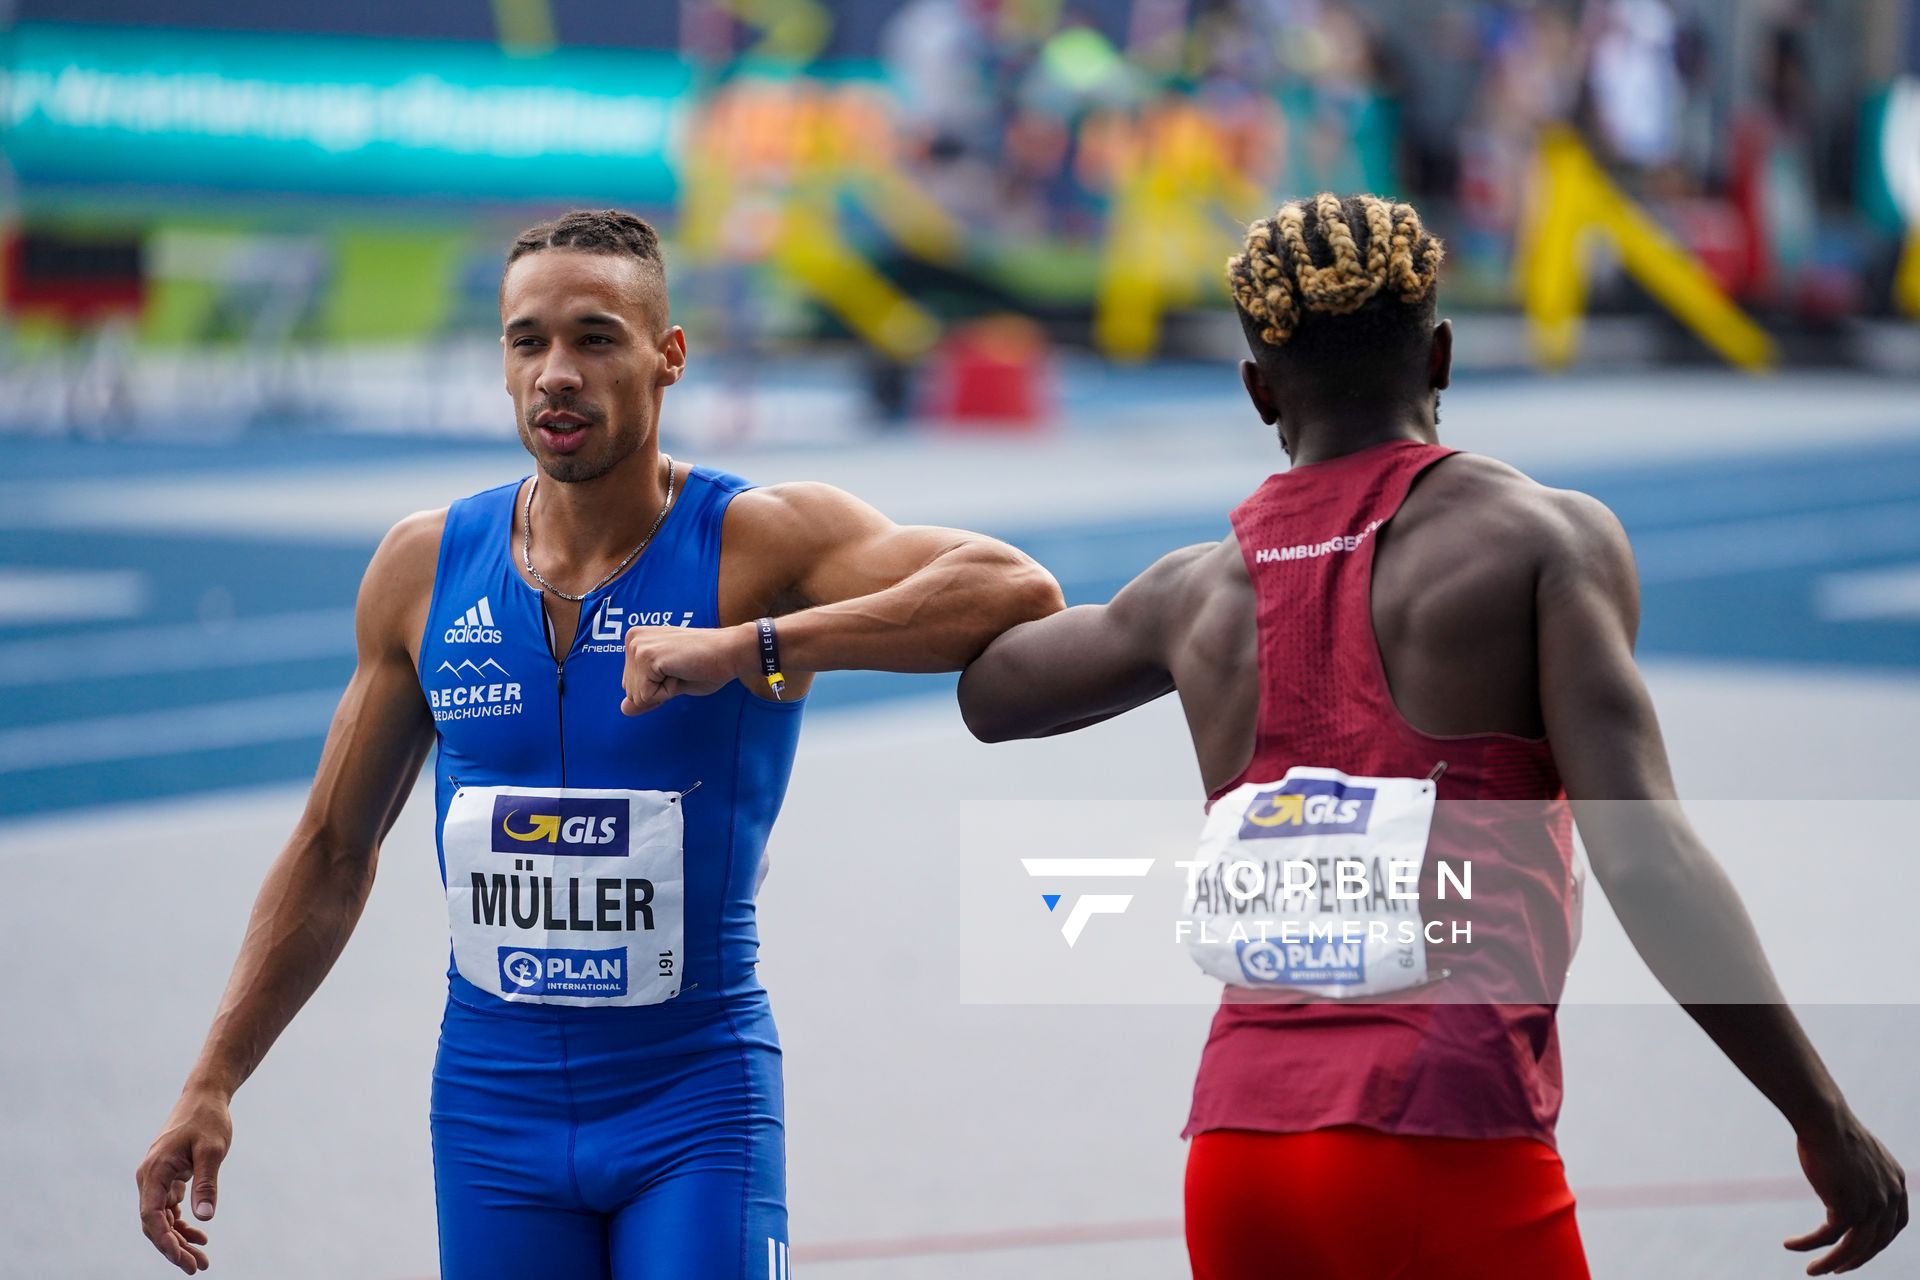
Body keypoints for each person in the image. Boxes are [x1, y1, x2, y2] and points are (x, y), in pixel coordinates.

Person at [956, 193, 1907, 1278]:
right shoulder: (1542, 541)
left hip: (1238, 1160)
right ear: (1443, 355)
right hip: (1445, 1143)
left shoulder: (1190, 593)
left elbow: (993, 692)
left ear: (1258, 388)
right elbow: (1644, 855)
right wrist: (1820, 1112)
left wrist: (826, 605)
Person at [135, 209, 1063, 1279]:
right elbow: (332, 849)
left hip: (694, 1105)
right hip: (492, 1113)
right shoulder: (425, 566)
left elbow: (1013, 586)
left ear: (668, 356)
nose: (556, 374)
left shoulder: (757, 542)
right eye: (528, 342)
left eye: (594, 338)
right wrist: (211, 1078)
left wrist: (750, 643)